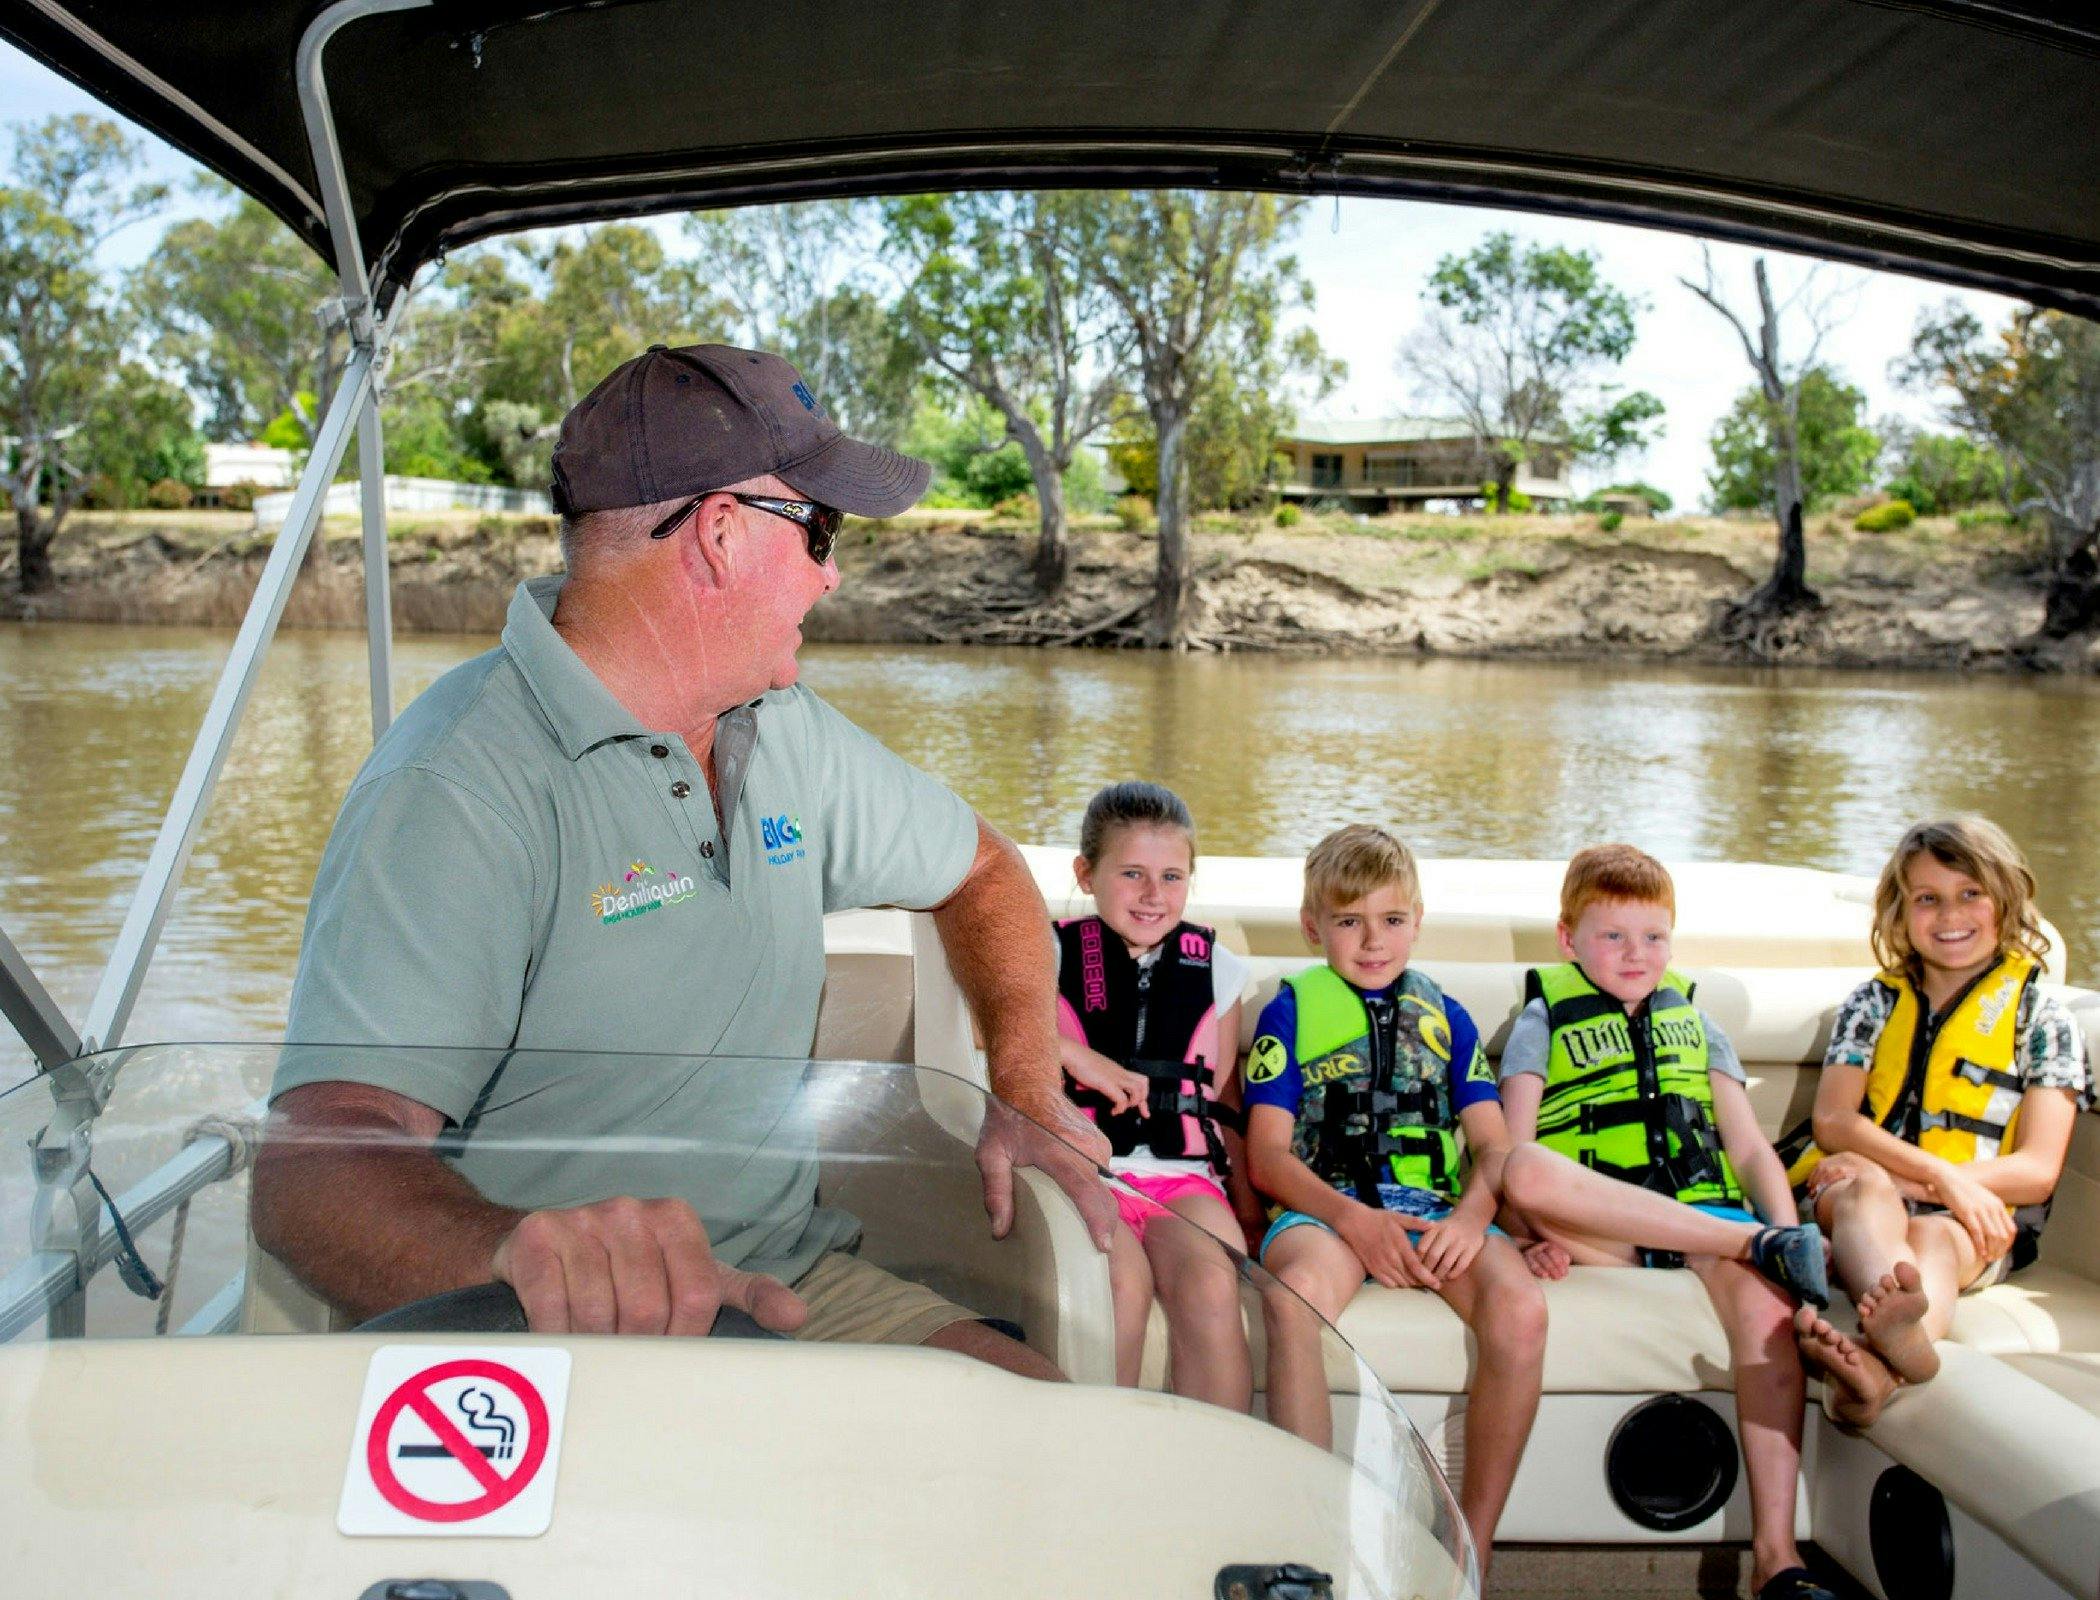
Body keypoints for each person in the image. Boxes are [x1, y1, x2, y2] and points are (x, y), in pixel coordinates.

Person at [251, 343, 1114, 1373]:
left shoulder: (786, 726)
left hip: (797, 1283)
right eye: (820, 529)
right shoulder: (459, 786)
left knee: (1045, 1421)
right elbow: (313, 1168)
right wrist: (519, 1257)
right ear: (719, 533)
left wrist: (1025, 1085)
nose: (832, 573)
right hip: (547, 1332)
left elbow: (983, 870)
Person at [1494, 844, 1836, 1600]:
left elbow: (1749, 1148)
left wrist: (1791, 1238)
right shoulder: (1540, 1021)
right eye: (1613, 936)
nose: (1636, 954)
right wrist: (1524, 1234)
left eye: (1653, 936)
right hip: (1603, 1233)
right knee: (1524, 1169)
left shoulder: (1698, 1023)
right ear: (1568, 939)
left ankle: (1777, 1560)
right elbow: (1511, 1152)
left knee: (1770, 1316)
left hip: (1703, 1222)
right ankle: (1753, 1244)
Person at [1242, 824, 1544, 1572]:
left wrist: (1471, 1219)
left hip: (1433, 1210)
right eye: (1350, 921)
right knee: (1291, 1298)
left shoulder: (1448, 1017)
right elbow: (1267, 1157)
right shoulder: (1289, 1013)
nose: (1373, 940)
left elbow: (1494, 1147)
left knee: (1521, 1308)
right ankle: (1306, 1544)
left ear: (1417, 921)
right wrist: (1355, 1221)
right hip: (1326, 1210)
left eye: (1392, 919)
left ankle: (1470, 1551)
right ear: (1313, 926)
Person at [1788, 818, 2090, 1427]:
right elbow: (1834, 1121)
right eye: (1927, 898)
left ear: (2006, 901)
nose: (1950, 915)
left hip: (1973, 1218)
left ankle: (1885, 1362)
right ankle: (1902, 1339)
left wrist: (1933, 1188)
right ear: (1900, 913)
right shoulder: (1872, 1004)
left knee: (1935, 1239)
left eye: (1970, 894)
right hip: (1864, 1190)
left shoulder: (2043, 1018)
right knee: (1862, 1190)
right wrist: (1938, 1178)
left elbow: (2038, 1170)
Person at [1055, 781, 1256, 1407]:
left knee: (1212, 1289)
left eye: (1172, 877)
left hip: (1184, 1181)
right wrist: (1077, 1056)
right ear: (1086, 874)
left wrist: (1251, 1210)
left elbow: (1222, 1101)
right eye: (1132, 874)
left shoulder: (1218, 969)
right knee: (1119, 1286)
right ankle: (1099, 1451)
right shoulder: (1046, 953)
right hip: (1084, 1171)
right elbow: (991, 1031)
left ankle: (1215, 1454)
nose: (1153, 895)